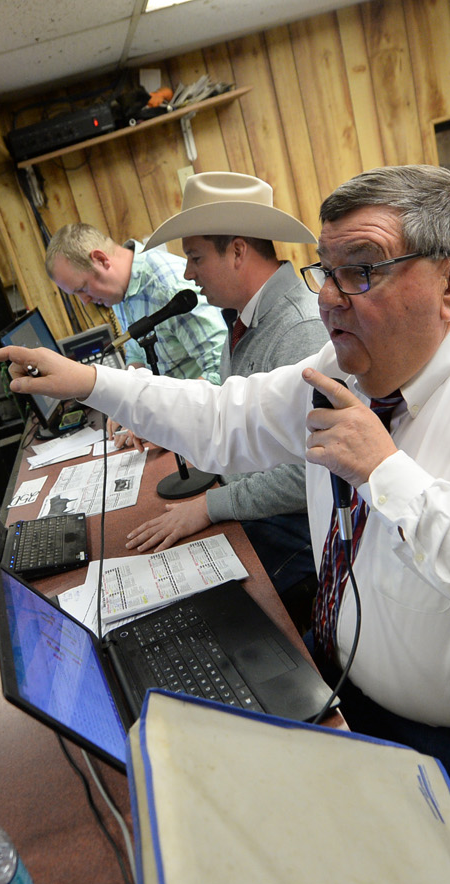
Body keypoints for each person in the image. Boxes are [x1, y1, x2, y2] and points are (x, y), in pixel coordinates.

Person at [0, 165, 450, 884]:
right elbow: (225, 417)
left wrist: (387, 474)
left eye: (361, 270)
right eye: (326, 272)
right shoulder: (347, 369)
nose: (330, 297)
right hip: (359, 691)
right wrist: (92, 380)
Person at [126, 172, 328, 603]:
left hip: (300, 540)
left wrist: (207, 507)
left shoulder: (301, 329)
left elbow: (313, 471)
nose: (187, 272)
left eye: (195, 257)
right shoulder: (244, 318)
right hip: (256, 512)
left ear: (237, 251)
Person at [45, 222, 227, 383]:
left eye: (83, 288)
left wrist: (163, 411)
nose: (85, 302)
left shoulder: (167, 288)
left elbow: (221, 370)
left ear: (101, 260)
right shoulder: (118, 291)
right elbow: (136, 354)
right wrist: (127, 403)